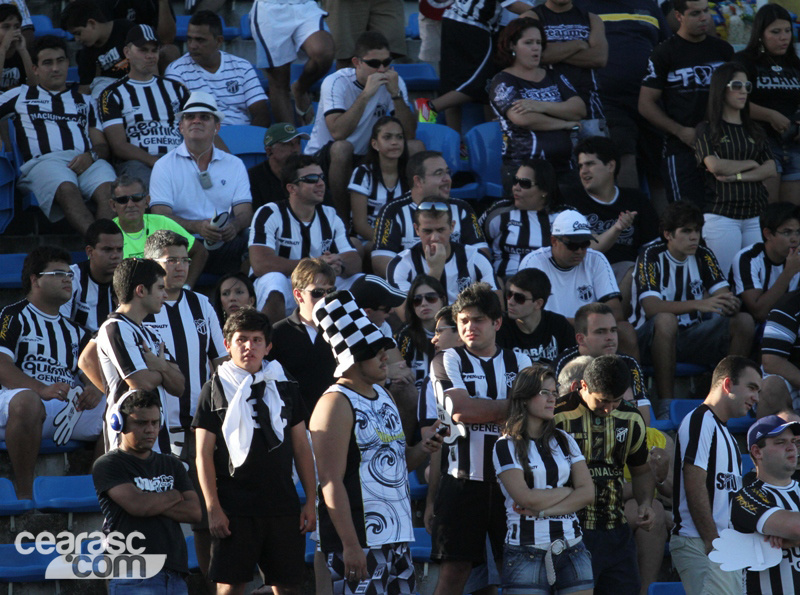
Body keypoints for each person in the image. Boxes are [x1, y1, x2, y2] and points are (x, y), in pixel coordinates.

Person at [309, 289, 443, 594]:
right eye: (375, 350)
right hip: (358, 540)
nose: (386, 356)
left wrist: (424, 448)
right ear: (353, 356)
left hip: (397, 536)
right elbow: (330, 482)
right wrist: (350, 545)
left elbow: (396, 463)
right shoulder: (335, 403)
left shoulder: (383, 393)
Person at [193, 307, 316, 595]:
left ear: (268, 346)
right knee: (231, 588)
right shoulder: (213, 389)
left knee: (288, 587)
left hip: (282, 503)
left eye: (257, 340)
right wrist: (213, 508)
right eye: (242, 339)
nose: (250, 347)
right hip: (234, 506)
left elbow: (301, 446)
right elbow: (203, 454)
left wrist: (310, 500)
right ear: (227, 345)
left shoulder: (285, 385)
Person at [429, 283, 532, 595]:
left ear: (497, 322)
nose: (469, 327)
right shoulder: (448, 359)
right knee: (453, 573)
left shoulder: (521, 361)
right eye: (463, 321)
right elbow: (460, 410)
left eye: (478, 320)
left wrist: (496, 411)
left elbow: (532, 417)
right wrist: (512, 408)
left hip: (511, 484)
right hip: (462, 481)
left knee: (517, 572)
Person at [0, 246, 106, 499]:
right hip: (16, 406)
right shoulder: (12, 315)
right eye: (58, 273)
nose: (67, 280)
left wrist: (95, 389)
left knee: (121, 409)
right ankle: (25, 493)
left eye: (70, 275)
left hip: (64, 409)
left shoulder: (76, 331)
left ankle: (96, 487)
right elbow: (1, 365)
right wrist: (40, 389)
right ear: (35, 279)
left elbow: (92, 373)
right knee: (28, 401)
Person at [630, 201, 755, 405]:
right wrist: (700, 304)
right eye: (686, 231)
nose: (694, 236)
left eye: (697, 230)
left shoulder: (703, 255)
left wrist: (729, 303)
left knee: (744, 321)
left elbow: (723, 296)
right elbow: (652, 307)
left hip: (691, 335)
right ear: (668, 234)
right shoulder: (650, 255)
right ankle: (666, 403)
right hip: (648, 337)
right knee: (666, 320)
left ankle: (727, 398)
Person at [554, 354, 655, 594]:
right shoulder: (557, 416)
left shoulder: (631, 418)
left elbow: (641, 470)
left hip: (615, 530)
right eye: (602, 401)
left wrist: (645, 503)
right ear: (583, 386)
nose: (609, 408)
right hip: (569, 530)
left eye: (616, 401)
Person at [493, 365, 595, 595]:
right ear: (525, 398)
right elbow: (525, 498)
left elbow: (587, 493)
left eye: (554, 393)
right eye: (544, 393)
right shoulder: (506, 445)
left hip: (573, 547)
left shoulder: (565, 440)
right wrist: (567, 491)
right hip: (525, 552)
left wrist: (543, 512)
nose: (552, 399)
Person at [0, 35, 116, 235]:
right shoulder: (20, 95)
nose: (55, 68)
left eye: (60, 61)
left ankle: (102, 248)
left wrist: (91, 156)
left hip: (87, 161)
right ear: (35, 69)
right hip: (44, 163)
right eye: (47, 63)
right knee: (66, 188)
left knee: (109, 191)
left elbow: (101, 144)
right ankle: (100, 246)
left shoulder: (85, 101)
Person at [92, 389, 201, 594]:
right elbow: (138, 506)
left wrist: (150, 502)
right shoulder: (108, 464)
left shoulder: (172, 464)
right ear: (119, 424)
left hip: (175, 573)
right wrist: (174, 495)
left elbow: (194, 512)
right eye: (141, 423)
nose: (150, 429)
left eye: (154, 422)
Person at [671, 355, 761, 595]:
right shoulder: (700, 421)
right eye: (751, 388)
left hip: (722, 546)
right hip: (701, 542)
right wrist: (712, 542)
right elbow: (694, 483)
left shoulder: (728, 435)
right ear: (728, 384)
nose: (756, 398)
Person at [303, 31, 417, 220]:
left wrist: (395, 95)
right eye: (374, 64)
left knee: (415, 147)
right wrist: (366, 95)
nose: (381, 69)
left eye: (387, 62)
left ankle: (414, 217)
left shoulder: (395, 82)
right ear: (357, 62)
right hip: (324, 156)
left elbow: (409, 134)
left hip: (367, 155)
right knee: (342, 148)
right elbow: (338, 132)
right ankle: (343, 222)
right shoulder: (336, 82)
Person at [638, 0, 733, 204]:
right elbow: (645, 104)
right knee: (685, 217)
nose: (704, 18)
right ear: (679, 16)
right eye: (695, 13)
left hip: (723, 144)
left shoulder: (724, 50)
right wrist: (679, 131)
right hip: (682, 148)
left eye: (706, 11)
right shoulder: (664, 52)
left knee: (726, 213)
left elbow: (738, 96)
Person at [150, 90, 253, 276]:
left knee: (254, 238)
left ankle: (244, 296)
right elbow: (160, 217)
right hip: (183, 243)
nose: (196, 120)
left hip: (226, 240)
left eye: (204, 117)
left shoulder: (235, 164)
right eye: (190, 117)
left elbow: (245, 211)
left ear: (217, 128)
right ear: (181, 126)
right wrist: (197, 227)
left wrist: (235, 226)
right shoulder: (163, 165)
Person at [88, 257, 185, 453]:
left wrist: (160, 366)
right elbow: (142, 383)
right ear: (141, 291)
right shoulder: (115, 328)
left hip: (158, 440)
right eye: (159, 288)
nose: (165, 295)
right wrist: (163, 369)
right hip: (126, 443)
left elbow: (179, 386)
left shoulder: (151, 333)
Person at [249, 153, 361, 322]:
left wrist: (339, 264)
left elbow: (355, 261)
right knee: (274, 280)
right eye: (311, 178)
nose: (321, 183)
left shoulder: (330, 215)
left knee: (362, 282)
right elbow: (260, 264)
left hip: (320, 285)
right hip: (286, 284)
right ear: (291, 188)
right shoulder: (269, 213)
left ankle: (361, 343)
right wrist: (315, 265)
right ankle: (271, 343)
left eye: (321, 177)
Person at [574, 0, 670, 190]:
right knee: (624, 160)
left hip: (650, 99)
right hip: (606, 99)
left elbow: (667, 46)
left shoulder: (649, 5)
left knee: (659, 169)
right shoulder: (580, 6)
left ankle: (662, 219)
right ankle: (629, 217)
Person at [519, 209, 639, 357]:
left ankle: (634, 379)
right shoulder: (534, 262)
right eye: (573, 245)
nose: (580, 251)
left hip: (588, 334)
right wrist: (581, 324)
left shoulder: (596, 259)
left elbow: (615, 313)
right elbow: (525, 312)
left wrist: (582, 326)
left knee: (625, 329)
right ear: (554, 241)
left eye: (585, 244)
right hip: (548, 333)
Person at [695, 61, 777, 276]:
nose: (743, 92)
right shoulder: (707, 129)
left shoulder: (755, 129)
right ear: (722, 88)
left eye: (746, 86)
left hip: (755, 215)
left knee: (756, 279)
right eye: (737, 86)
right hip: (722, 215)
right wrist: (751, 164)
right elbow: (714, 165)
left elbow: (770, 168)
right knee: (722, 279)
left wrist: (738, 176)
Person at [141, 230, 226, 433]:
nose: (180, 267)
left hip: (200, 423)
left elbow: (222, 363)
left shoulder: (202, 304)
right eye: (171, 260)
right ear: (151, 263)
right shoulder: (139, 307)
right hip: (155, 427)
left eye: (185, 260)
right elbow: (92, 357)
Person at [566, 136, 659, 308]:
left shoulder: (636, 200)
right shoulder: (572, 200)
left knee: (633, 270)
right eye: (580, 166)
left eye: (590, 164)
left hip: (625, 274)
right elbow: (590, 248)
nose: (583, 171)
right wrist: (618, 228)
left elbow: (652, 248)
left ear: (610, 166)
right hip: (584, 271)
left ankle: (617, 325)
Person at [489, 18, 586, 182]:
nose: (536, 48)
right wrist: (564, 123)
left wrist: (539, 106)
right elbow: (523, 118)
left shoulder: (554, 75)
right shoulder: (503, 80)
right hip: (523, 169)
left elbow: (579, 109)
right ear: (512, 45)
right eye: (528, 43)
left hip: (564, 167)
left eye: (539, 42)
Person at [414, 0, 532, 134]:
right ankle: (430, 107)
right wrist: (544, 13)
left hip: (453, 19)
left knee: (454, 84)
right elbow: (511, 4)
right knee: (485, 82)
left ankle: (457, 142)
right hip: (473, 25)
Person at [372, 150, 487, 278]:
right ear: (418, 181)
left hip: (459, 287)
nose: (447, 179)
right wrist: (425, 283)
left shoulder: (462, 208)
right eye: (439, 174)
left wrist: (450, 281)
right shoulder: (393, 211)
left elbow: (482, 252)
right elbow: (381, 261)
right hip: (413, 289)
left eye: (447, 172)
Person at [98, 24, 189, 185]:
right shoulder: (111, 94)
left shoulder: (178, 89)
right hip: (138, 163)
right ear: (127, 52)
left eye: (154, 50)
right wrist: (154, 161)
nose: (150, 56)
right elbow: (118, 145)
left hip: (179, 159)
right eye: (143, 50)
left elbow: (197, 128)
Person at [735, 4, 800, 204]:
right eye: (776, 32)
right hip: (761, 143)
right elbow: (733, 100)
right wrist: (770, 115)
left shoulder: (795, 64)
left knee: (791, 216)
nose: (784, 37)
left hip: (794, 144)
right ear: (760, 34)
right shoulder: (745, 61)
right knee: (768, 214)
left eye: (788, 31)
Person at [164, 11, 269, 127]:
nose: (192, 45)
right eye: (189, 39)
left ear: (219, 41)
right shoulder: (176, 71)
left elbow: (261, 114)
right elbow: (177, 119)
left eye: (200, 40)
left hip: (240, 135)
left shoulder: (242, 67)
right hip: (200, 138)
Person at [732, 415, 800, 593]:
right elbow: (796, 527)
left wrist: (795, 542)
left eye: (793, 441)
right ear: (757, 452)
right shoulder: (746, 497)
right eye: (780, 442)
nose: (791, 447)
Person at [386, 200, 497, 304]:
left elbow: (495, 308)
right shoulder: (401, 264)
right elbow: (407, 315)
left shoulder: (476, 257)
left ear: (452, 227)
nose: (434, 238)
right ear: (416, 229)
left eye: (440, 230)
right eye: (427, 231)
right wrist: (435, 271)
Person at [268, 258, 337, 420]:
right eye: (318, 293)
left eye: (331, 292)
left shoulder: (342, 330)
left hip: (336, 420)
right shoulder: (277, 333)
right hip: (292, 422)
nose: (326, 298)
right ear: (298, 294)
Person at [109, 174, 208, 287]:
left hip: (164, 296)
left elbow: (200, 252)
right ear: (113, 205)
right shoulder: (107, 232)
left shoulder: (163, 223)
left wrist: (186, 287)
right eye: (123, 200)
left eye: (136, 198)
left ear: (147, 201)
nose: (130, 205)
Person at [553, 302, 649, 416]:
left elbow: (643, 416)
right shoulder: (563, 363)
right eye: (600, 332)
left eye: (613, 330)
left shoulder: (628, 363)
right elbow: (557, 412)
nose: (610, 337)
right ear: (581, 339)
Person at [249, 0, 333, 125]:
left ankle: (299, 88)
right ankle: (289, 139)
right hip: (269, 7)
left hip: (305, 5)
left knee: (324, 53)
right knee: (279, 81)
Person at [531, 0, 607, 135]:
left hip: (589, 106)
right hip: (547, 106)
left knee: (596, 155)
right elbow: (534, 56)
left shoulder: (592, 19)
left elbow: (599, 58)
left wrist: (554, 51)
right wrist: (577, 44)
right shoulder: (531, 17)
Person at [480, 159, 559, 279]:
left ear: (544, 190)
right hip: (504, 284)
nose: (516, 188)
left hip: (548, 287)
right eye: (515, 181)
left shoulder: (563, 217)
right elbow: (474, 242)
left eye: (524, 183)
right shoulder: (499, 213)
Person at [730, 201, 800, 323]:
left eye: (798, 232)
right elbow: (759, 313)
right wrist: (788, 273)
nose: (795, 239)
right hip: (754, 328)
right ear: (768, 234)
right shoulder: (747, 258)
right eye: (787, 232)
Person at [349, 116, 409, 246]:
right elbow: (360, 225)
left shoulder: (410, 174)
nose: (395, 142)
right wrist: (389, 242)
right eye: (387, 137)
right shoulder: (362, 173)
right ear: (375, 144)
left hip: (403, 238)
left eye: (399, 137)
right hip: (368, 239)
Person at [497, 268, 576, 364]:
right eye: (509, 294)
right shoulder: (499, 325)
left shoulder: (558, 325)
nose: (510, 302)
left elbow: (573, 363)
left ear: (538, 303)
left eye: (519, 298)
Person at [61, 0, 133, 98]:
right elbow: (85, 91)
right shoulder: (85, 55)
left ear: (92, 23)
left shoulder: (127, 30)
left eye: (78, 33)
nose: (77, 39)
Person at [61, 219, 123, 332]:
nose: (115, 256)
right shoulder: (70, 278)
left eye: (119, 249)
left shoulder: (128, 280)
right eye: (107, 249)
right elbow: (61, 325)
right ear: (90, 252)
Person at [396, 275, 446, 389]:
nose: (424, 303)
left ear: (442, 299)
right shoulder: (405, 334)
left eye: (430, 297)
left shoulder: (456, 329)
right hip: (416, 400)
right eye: (417, 300)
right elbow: (401, 373)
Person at [248, 123, 309, 210]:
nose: (295, 149)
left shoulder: (308, 172)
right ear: (269, 151)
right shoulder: (253, 177)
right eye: (287, 144)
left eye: (298, 143)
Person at [760, 290, 800, 415]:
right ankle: (774, 434)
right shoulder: (790, 305)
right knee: (771, 387)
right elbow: (772, 361)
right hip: (795, 383)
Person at [0, 4, 33, 92]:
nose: (13, 32)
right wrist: (3, 49)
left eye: (16, 27)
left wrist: (23, 51)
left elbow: (36, 87)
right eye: (6, 27)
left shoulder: (24, 55)